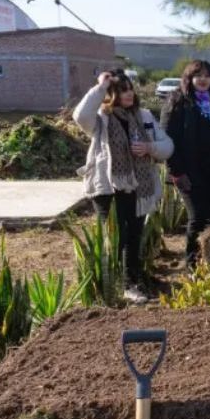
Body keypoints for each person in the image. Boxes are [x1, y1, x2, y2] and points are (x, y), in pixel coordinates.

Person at [73, 69, 173, 303]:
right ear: (109, 94)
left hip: (138, 186)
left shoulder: (144, 116)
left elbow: (167, 145)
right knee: (117, 238)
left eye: (130, 88)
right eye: (121, 89)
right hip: (110, 187)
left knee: (135, 235)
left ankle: (134, 280)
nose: (128, 94)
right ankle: (122, 285)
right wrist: (100, 86)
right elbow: (80, 116)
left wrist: (150, 149)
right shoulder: (100, 118)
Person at [160, 59, 210, 268]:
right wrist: (176, 172)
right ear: (189, 78)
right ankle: (191, 264)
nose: (203, 79)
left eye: (207, 75)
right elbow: (167, 140)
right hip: (188, 172)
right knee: (197, 217)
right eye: (198, 75)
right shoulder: (177, 102)